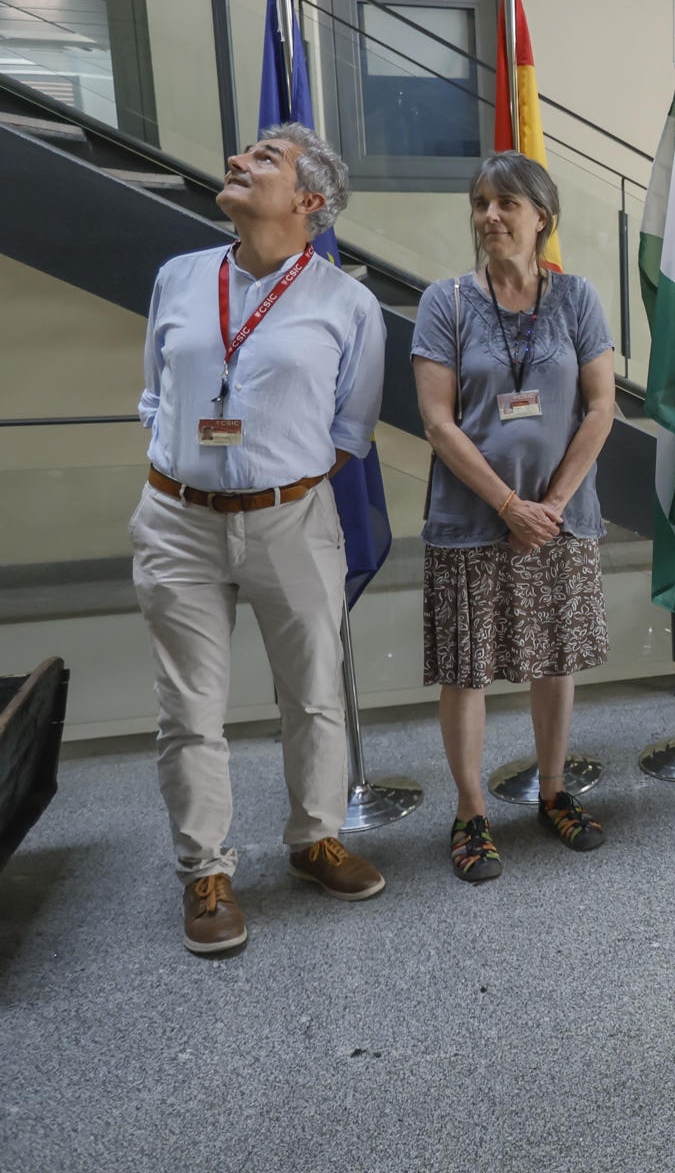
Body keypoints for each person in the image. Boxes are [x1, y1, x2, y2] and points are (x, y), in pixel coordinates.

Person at [132, 124, 386, 954]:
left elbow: (351, 429)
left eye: (263, 161)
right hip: (178, 521)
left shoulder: (348, 304)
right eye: (244, 154)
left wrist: (270, 473)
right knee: (189, 708)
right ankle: (204, 873)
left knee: (314, 690)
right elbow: (154, 398)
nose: (237, 162)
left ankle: (315, 839)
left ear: (311, 202)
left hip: (292, 519)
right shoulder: (179, 277)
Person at [411, 152, 617, 881]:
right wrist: (508, 504)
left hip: (559, 519)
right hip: (473, 520)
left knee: (553, 657)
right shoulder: (449, 302)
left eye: (506, 204)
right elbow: (438, 422)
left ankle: (553, 790)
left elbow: (601, 406)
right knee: (468, 670)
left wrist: (552, 505)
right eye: (480, 203)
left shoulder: (577, 297)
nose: (489, 216)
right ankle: (471, 813)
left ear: (541, 217)